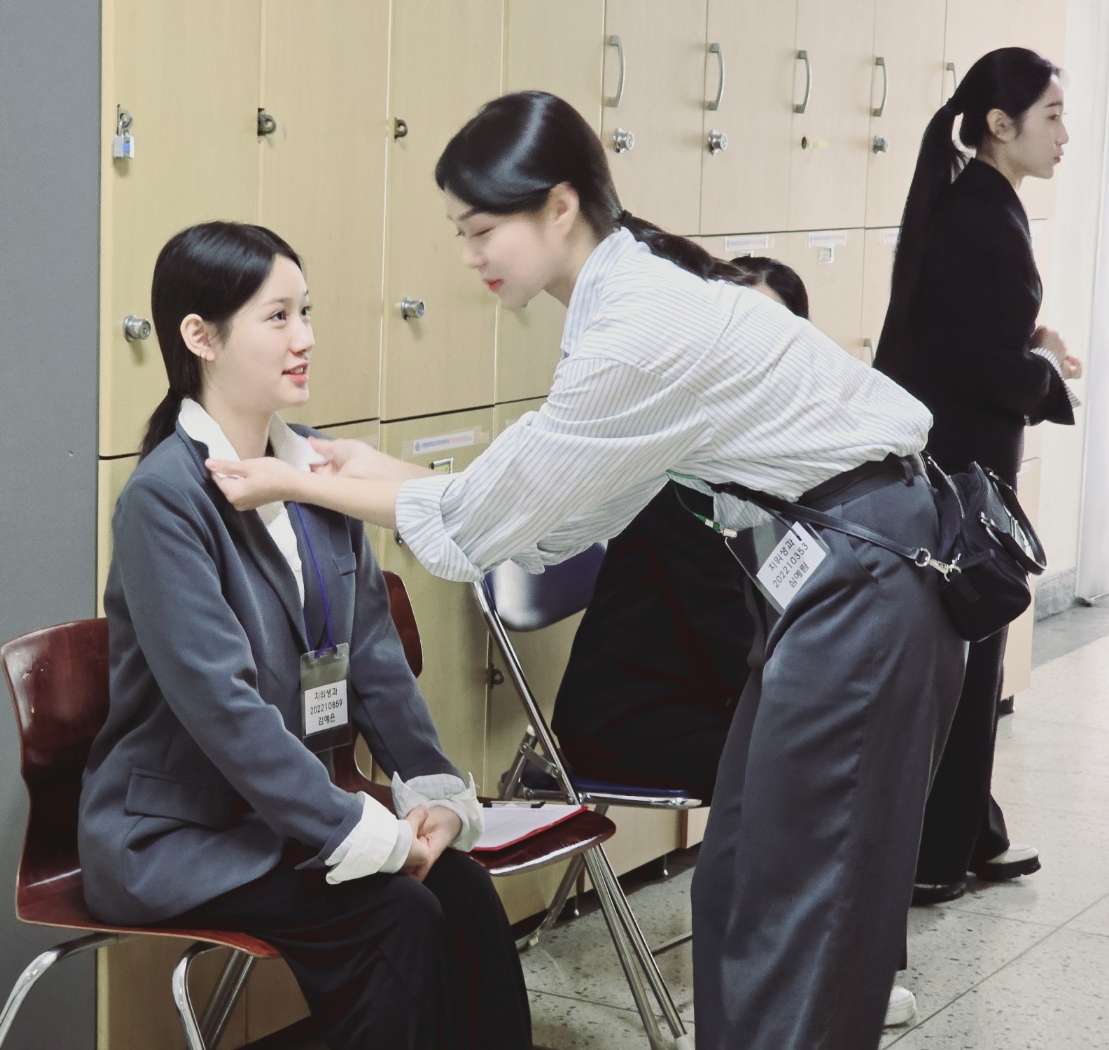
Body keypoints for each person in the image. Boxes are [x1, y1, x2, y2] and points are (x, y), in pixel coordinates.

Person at [207, 91, 966, 1050]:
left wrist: (303, 481)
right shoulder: (629, 294)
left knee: (794, 891)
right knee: (745, 874)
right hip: (838, 577)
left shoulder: (635, 329)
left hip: (864, 580)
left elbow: (484, 526)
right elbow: (558, 516)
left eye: (481, 229)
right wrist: (379, 473)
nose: (469, 255)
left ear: (559, 207)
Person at [77, 221, 532, 1050]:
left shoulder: (314, 471)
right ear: (201, 337)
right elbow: (222, 708)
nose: (307, 338)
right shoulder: (163, 500)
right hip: (183, 836)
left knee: (461, 891)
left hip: (285, 818)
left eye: (307, 312)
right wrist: (358, 830)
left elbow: (374, 663)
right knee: (396, 917)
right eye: (278, 317)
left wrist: (431, 793)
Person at [874, 47, 1080, 905]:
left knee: (971, 658)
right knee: (967, 655)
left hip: (955, 466)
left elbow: (968, 338)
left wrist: (1030, 347)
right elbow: (986, 367)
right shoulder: (982, 218)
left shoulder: (981, 205)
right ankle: (936, 857)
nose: (1065, 135)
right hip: (963, 477)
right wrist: (1048, 374)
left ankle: (969, 833)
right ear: (1001, 124)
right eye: (1052, 116)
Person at [550, 257, 807, 803]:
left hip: (709, 694)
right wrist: (809, 695)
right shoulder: (683, 470)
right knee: (811, 756)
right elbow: (722, 625)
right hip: (631, 718)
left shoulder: (770, 454)